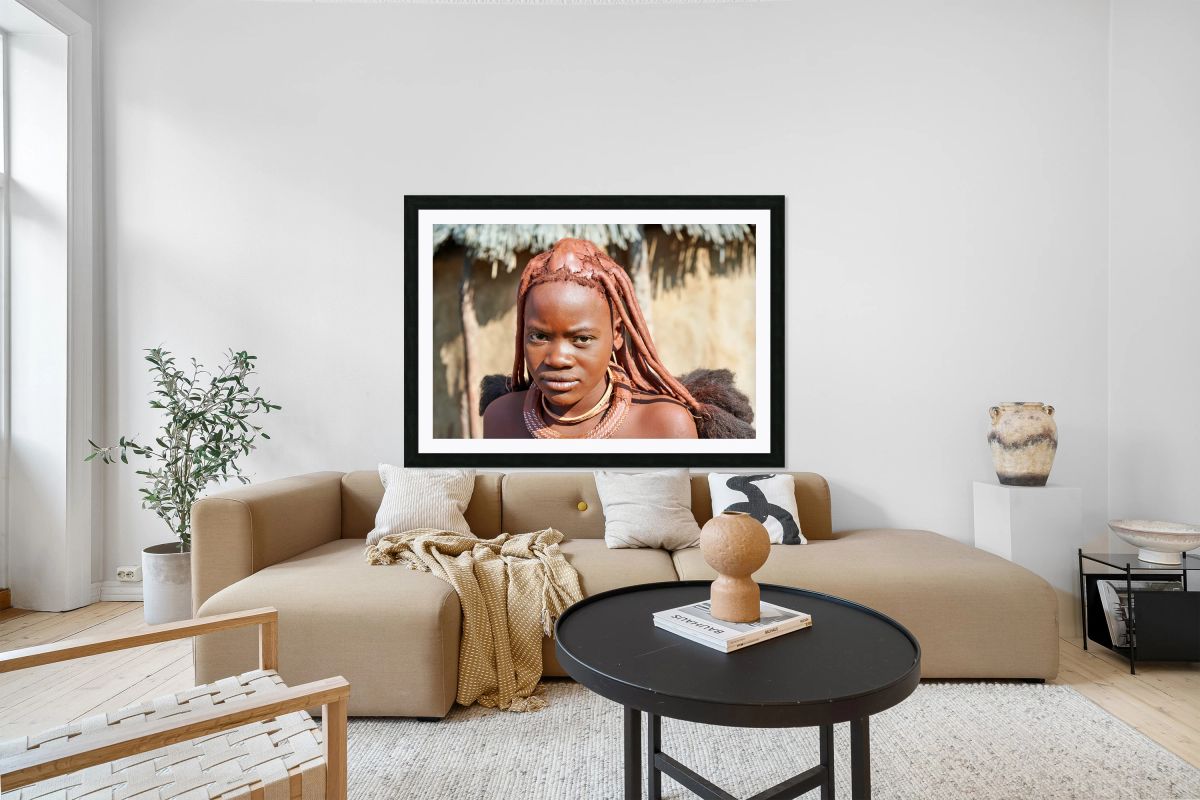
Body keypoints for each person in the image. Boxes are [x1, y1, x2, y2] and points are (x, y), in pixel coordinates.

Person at [481, 238, 753, 440]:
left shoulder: (664, 425)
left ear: (618, 335)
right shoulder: (501, 419)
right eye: (539, 336)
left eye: (582, 339)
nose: (558, 358)